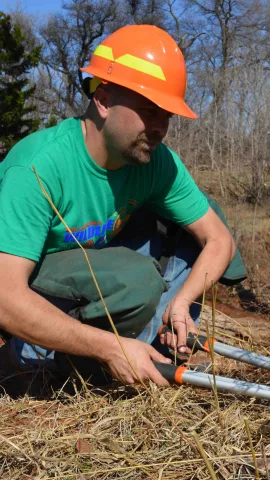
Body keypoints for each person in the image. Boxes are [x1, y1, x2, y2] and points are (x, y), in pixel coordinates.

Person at [0, 25, 246, 386]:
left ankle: (155, 350)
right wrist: (108, 347)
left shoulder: (156, 161)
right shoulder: (38, 166)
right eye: (150, 111)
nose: (160, 127)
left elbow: (218, 240)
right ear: (103, 99)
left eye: (167, 116)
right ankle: (47, 359)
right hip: (25, 288)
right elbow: (5, 295)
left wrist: (181, 302)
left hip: (87, 270)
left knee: (203, 217)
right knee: (136, 279)